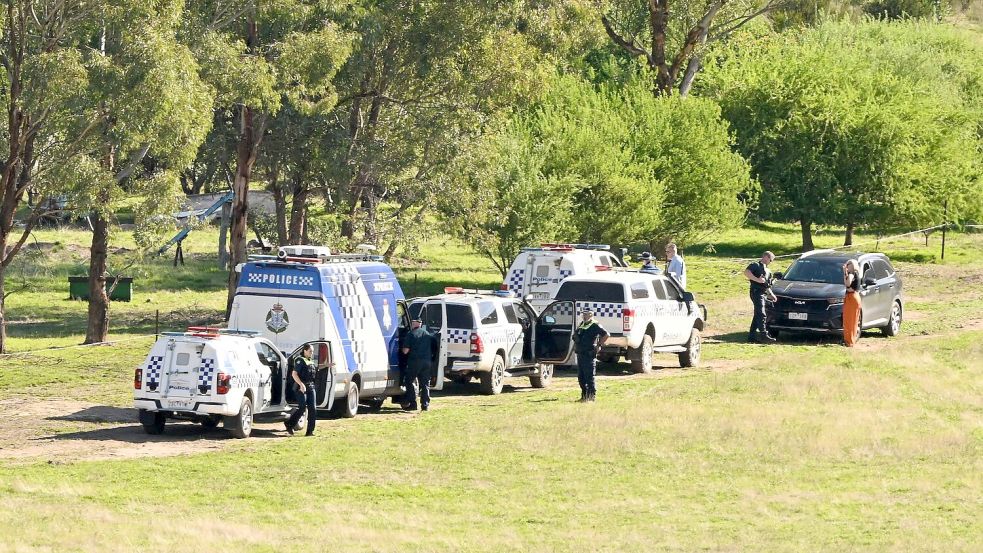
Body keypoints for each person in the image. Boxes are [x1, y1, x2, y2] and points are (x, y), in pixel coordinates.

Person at [573, 309, 609, 402]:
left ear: (591, 315)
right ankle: (584, 396)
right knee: (581, 377)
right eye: (583, 315)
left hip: (589, 353)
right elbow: (576, 335)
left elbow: (606, 335)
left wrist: (599, 345)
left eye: (586, 315)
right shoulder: (582, 324)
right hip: (580, 353)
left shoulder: (595, 325)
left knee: (589, 376)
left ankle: (591, 396)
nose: (584, 316)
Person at [401, 318, 437, 411]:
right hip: (427, 362)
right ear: (420, 324)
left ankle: (412, 404)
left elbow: (405, 351)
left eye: (412, 322)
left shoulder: (410, 334)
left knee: (409, 381)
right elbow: (434, 348)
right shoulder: (428, 334)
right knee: (425, 384)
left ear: (414, 323)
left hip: (415, 361)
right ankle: (425, 405)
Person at [744, 251, 777, 343]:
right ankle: (764, 334)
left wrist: (771, 294)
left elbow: (767, 285)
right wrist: (757, 280)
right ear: (765, 257)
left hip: (763, 293)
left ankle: (752, 336)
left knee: (757, 314)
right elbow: (746, 272)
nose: (770, 262)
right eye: (770, 260)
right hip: (756, 291)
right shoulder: (755, 265)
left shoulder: (768, 271)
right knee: (761, 313)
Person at [285, 344, 317, 436]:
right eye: (310, 351)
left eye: (312, 351)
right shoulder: (300, 360)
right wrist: (301, 384)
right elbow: (294, 374)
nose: (312, 353)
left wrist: (327, 365)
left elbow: (314, 370)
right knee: (302, 407)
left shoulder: (310, 360)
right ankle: (289, 424)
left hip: (311, 386)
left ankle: (310, 431)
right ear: (305, 351)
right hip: (301, 387)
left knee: (313, 409)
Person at [842, 259, 862, 347]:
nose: (847, 266)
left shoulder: (852, 274)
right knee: (853, 319)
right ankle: (850, 340)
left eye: (848, 265)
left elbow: (847, 284)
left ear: (852, 265)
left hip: (852, 297)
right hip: (855, 297)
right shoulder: (856, 274)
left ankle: (849, 341)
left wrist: (845, 273)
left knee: (849, 320)